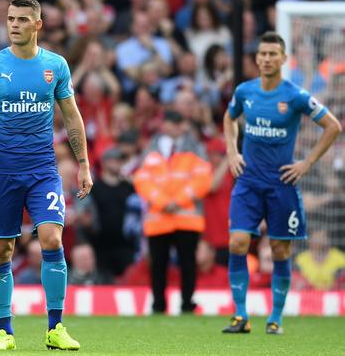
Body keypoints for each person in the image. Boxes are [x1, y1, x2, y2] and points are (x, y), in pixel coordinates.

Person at [0, 0, 92, 351]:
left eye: (22, 19)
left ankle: (56, 327)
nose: (14, 24)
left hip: (42, 169)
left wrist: (83, 163)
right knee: (2, 250)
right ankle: (4, 331)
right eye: (10, 19)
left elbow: (71, 115)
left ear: (38, 24)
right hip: (3, 170)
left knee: (52, 238)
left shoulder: (55, 65)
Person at [222, 31, 341, 335]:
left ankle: (275, 317)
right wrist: (232, 151)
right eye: (262, 54)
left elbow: (333, 126)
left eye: (273, 54)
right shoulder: (245, 91)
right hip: (248, 182)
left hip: (281, 184)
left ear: (284, 59)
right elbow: (229, 117)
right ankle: (240, 315)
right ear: (257, 58)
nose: (266, 59)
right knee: (237, 242)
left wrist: (307, 163)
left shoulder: (296, 96)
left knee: (280, 250)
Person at [134, 110, 212, 314]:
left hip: (186, 219)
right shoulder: (151, 147)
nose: (170, 127)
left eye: (174, 123)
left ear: (181, 126)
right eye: (167, 122)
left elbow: (203, 179)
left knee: (188, 263)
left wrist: (175, 201)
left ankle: (188, 303)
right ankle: (158, 304)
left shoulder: (195, 148)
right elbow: (141, 179)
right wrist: (162, 201)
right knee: (158, 264)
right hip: (160, 218)